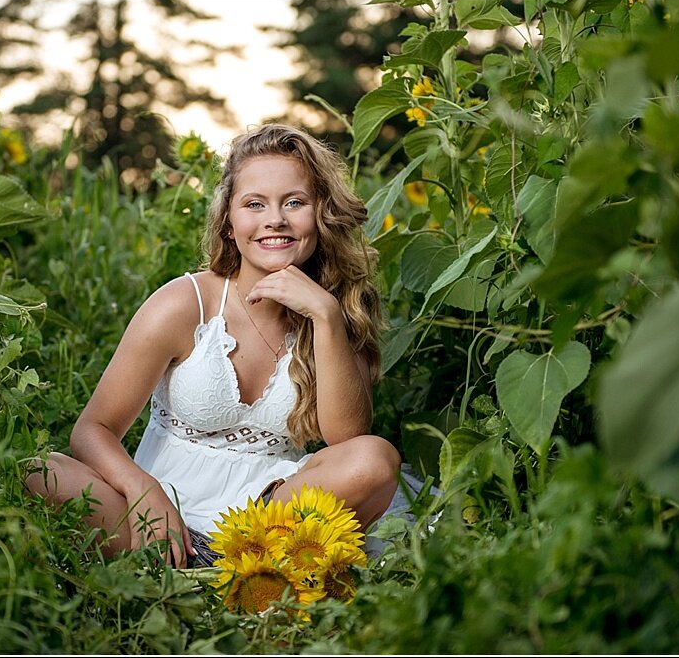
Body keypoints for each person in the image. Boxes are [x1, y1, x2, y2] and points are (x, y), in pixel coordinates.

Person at [25, 123, 401, 568]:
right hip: (160, 515)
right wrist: (144, 490)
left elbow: (346, 441)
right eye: (254, 204)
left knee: (375, 459)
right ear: (229, 222)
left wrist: (326, 317)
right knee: (42, 470)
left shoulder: (334, 311)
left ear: (321, 216)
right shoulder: (186, 304)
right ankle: (214, 568)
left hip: (269, 518)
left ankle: (239, 566)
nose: (275, 219)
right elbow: (92, 430)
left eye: (294, 203)